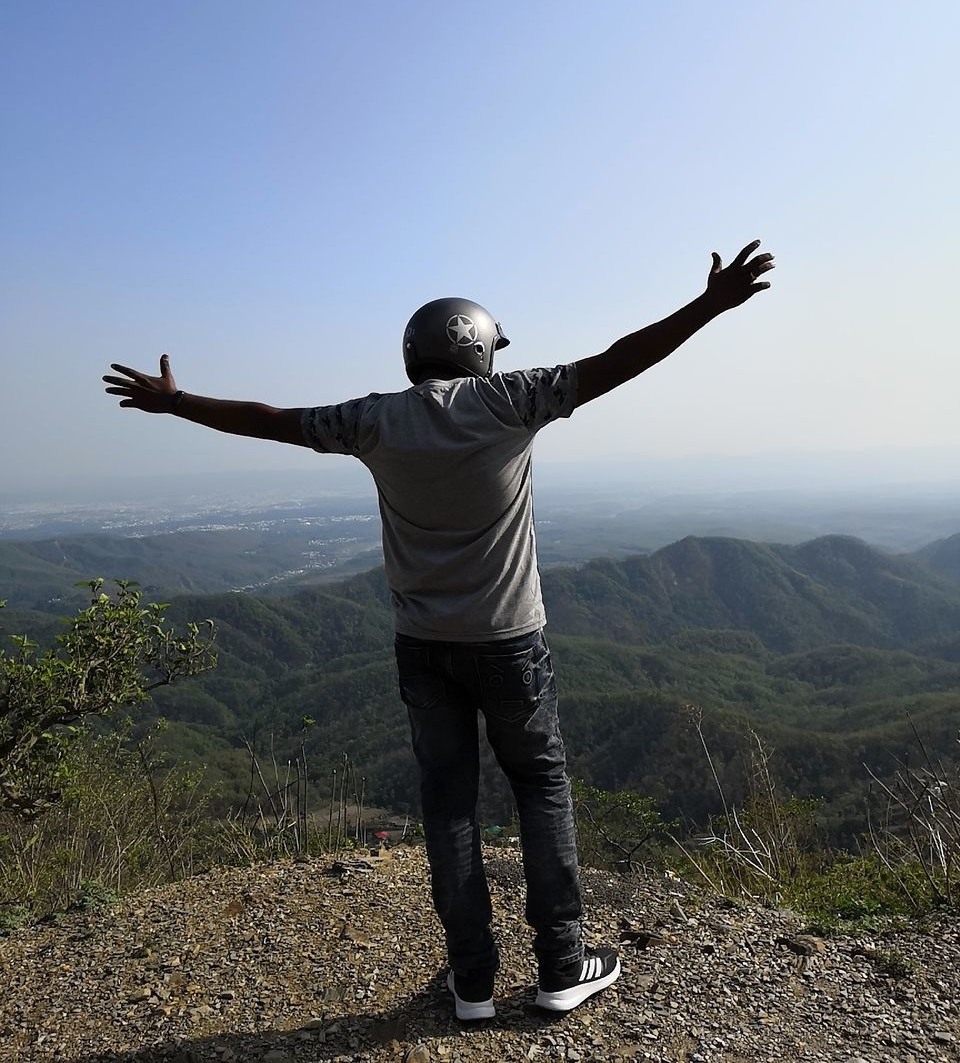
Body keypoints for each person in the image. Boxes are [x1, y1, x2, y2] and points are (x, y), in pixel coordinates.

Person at [104, 239, 774, 1019]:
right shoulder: (511, 402)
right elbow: (620, 358)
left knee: (448, 804)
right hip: (510, 643)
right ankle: (561, 964)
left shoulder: (375, 422)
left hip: (424, 649)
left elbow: (273, 421)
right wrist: (709, 306)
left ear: (416, 352)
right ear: (482, 348)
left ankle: (473, 983)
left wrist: (178, 403)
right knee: (541, 787)